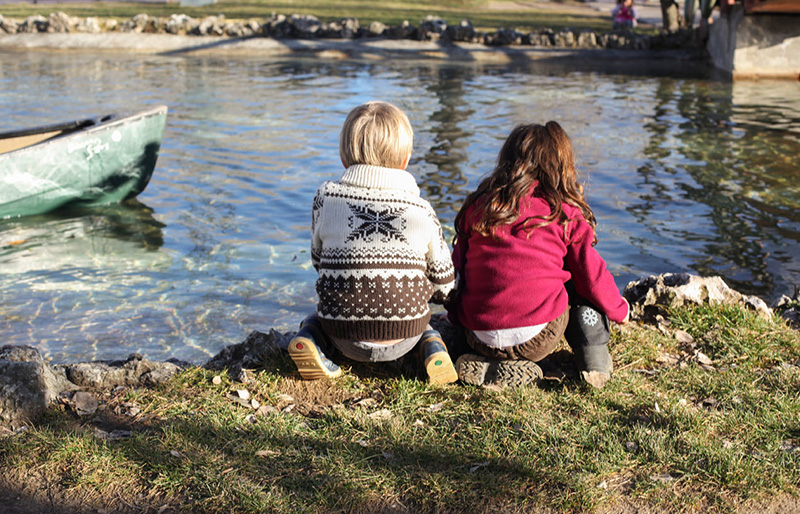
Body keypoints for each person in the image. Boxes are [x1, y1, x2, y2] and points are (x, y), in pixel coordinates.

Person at [447, 121, 629, 389]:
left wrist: (453, 318)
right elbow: (594, 277)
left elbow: (457, 274)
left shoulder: (479, 207)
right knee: (576, 281)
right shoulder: (563, 212)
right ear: (561, 166)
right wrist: (619, 309)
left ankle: (485, 360)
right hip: (536, 340)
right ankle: (594, 360)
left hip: (477, 335)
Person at [288, 101, 459, 385]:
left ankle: (309, 338)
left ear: (344, 158)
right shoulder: (421, 210)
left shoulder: (326, 197)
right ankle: (431, 348)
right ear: (405, 160)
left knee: (315, 318)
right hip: (406, 334)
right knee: (426, 325)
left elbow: (319, 261)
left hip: (342, 334)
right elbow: (444, 283)